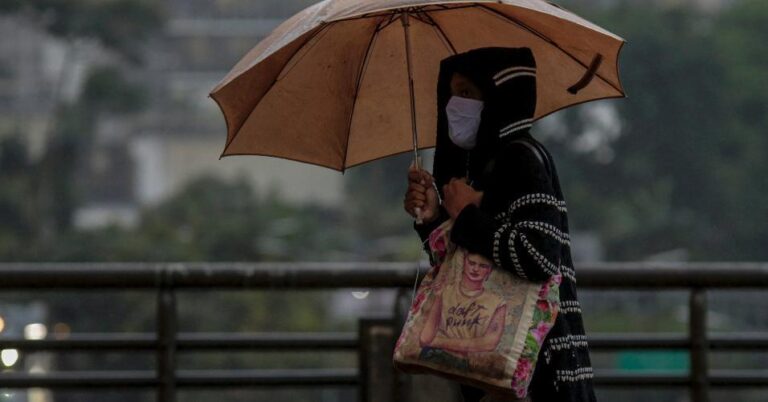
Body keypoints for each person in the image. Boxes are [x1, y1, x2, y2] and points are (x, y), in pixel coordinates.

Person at [403, 47, 596, 402]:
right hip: (493, 372)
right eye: (450, 93)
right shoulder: (478, 166)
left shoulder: (523, 159)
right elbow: (465, 265)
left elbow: (539, 257)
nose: (453, 106)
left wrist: (467, 215)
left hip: (540, 372)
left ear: (498, 97)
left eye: (466, 94)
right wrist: (432, 219)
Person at [418, 253, 507, 363]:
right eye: (471, 263)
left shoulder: (497, 302)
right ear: (464, 263)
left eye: (483, 266)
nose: (475, 269)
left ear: (489, 271)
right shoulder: (444, 291)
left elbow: (489, 343)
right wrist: (438, 298)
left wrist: (438, 341)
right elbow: (424, 339)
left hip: (464, 364)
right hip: (432, 357)